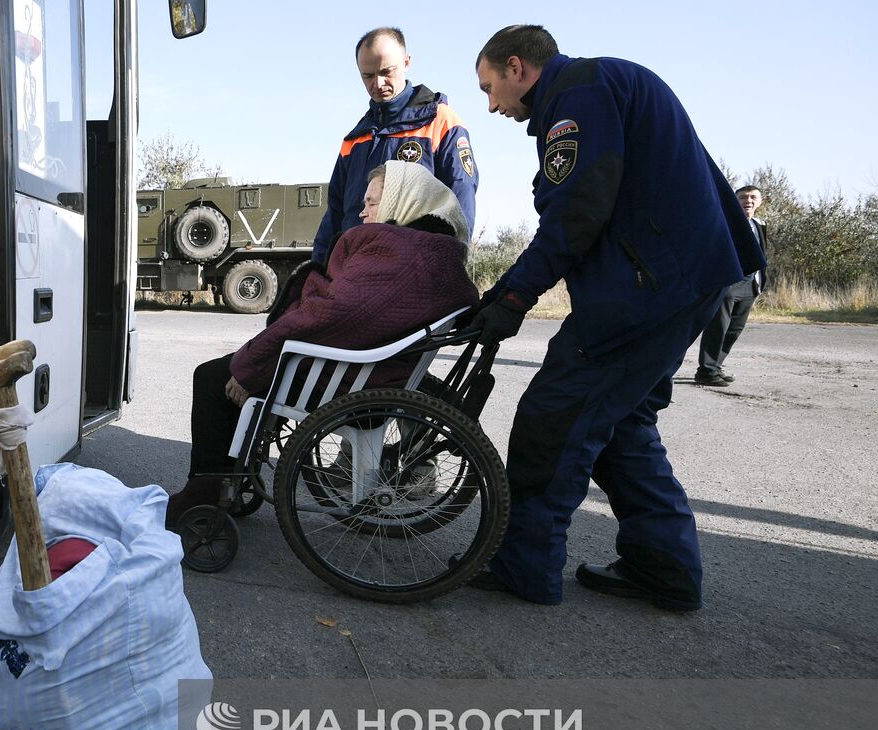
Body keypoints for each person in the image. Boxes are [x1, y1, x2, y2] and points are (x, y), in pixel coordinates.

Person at [466, 25, 765, 611]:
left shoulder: (577, 94)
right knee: (620, 426)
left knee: (553, 417)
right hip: (682, 280)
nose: (493, 104)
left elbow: (577, 210)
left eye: (489, 87)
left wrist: (512, 297)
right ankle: (665, 568)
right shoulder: (602, 84)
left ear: (517, 66)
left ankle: (526, 568)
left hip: (646, 291)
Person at [167, 161, 479, 528]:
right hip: (373, 370)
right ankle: (228, 480)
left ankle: (204, 492)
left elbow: (330, 315)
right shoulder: (438, 251)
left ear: (403, 200)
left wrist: (253, 363)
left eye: (374, 202)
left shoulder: (396, 249)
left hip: (346, 378)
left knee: (212, 377)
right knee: (232, 368)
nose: (363, 210)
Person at [310, 27, 479, 268]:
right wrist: (316, 271)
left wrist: (447, 269)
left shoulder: (441, 122)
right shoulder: (354, 139)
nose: (377, 83)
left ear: (406, 62)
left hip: (415, 273)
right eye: (367, 76)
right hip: (354, 272)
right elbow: (335, 214)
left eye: (386, 72)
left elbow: (461, 203)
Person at [696, 185, 768, 386]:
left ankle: (715, 367)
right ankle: (706, 371)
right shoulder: (726, 223)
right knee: (718, 327)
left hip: (751, 285)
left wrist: (761, 282)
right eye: (743, 197)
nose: (748, 201)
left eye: (753, 197)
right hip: (728, 284)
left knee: (734, 329)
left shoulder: (759, 225)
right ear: (735, 201)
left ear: (760, 202)